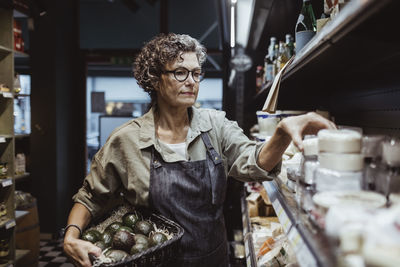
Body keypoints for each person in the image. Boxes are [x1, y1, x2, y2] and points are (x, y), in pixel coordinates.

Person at [63, 33, 336, 267]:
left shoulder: (215, 125)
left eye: (196, 73)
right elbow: (90, 197)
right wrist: (71, 237)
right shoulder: (127, 140)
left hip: (213, 259)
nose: (192, 81)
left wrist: (282, 131)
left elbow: (254, 163)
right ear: (155, 79)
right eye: (180, 72)